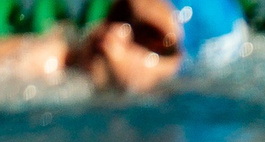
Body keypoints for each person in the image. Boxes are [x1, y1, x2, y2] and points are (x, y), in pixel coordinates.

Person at [0, 0, 245, 94]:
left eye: (147, 35)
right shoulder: (49, 58)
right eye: (121, 13)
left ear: (177, 64)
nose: (116, 31)